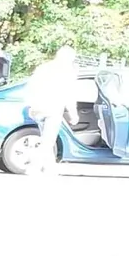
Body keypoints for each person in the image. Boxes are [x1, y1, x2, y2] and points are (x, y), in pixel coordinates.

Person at [22, 45, 79, 177]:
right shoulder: (67, 72)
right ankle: (33, 167)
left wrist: (30, 106)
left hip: (38, 109)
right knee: (48, 141)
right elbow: (69, 94)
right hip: (53, 109)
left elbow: (31, 87)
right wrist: (73, 114)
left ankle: (50, 168)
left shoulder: (44, 68)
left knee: (47, 139)